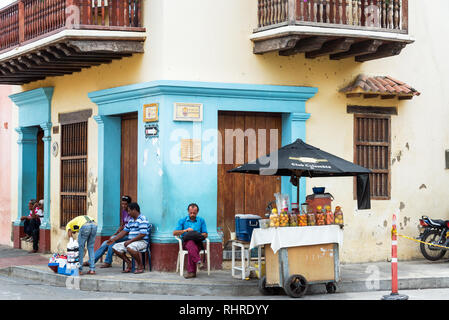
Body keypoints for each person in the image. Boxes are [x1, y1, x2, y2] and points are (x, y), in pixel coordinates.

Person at [88, 195, 132, 268]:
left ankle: (108, 262)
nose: (123, 206)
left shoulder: (131, 213)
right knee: (105, 243)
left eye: (125, 204)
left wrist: (116, 237)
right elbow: (123, 225)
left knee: (112, 241)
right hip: (122, 235)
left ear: (129, 204)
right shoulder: (124, 212)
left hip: (128, 236)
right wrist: (116, 233)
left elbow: (128, 230)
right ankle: (91, 261)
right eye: (122, 204)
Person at [110, 202, 149, 274]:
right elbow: (124, 231)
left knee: (130, 247)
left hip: (142, 242)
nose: (128, 213)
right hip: (132, 242)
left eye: (129, 211)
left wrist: (130, 241)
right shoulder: (131, 220)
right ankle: (129, 263)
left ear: (134, 210)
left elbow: (142, 234)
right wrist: (114, 239)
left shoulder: (142, 219)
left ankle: (140, 266)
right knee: (115, 247)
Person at [173, 203, 208, 279]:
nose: (192, 214)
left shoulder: (201, 220)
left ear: (197, 212)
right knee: (190, 243)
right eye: (190, 213)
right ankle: (198, 261)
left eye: (194, 213)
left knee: (192, 247)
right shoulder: (182, 220)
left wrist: (195, 233)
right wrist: (185, 230)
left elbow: (205, 234)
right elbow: (174, 233)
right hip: (186, 243)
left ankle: (192, 272)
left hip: (198, 242)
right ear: (188, 212)